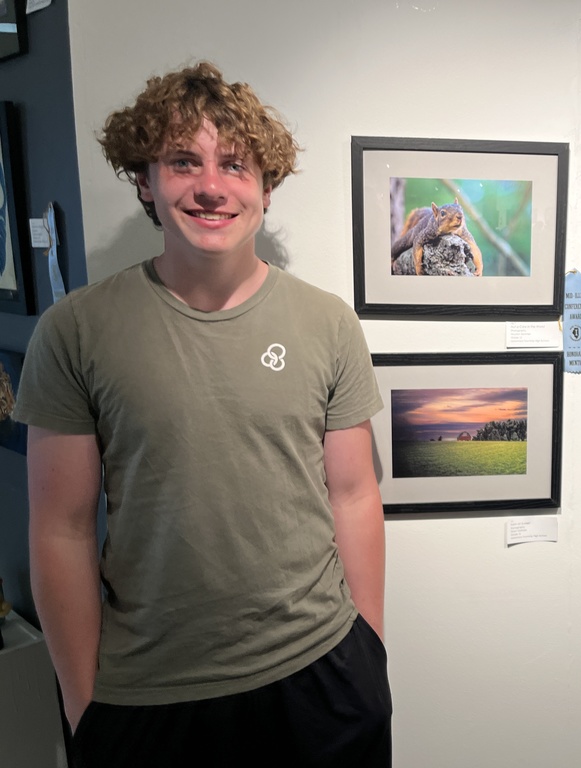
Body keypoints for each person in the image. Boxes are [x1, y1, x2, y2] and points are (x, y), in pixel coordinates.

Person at [14, 62, 392, 767]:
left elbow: (353, 492)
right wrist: (82, 703)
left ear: (266, 188)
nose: (211, 185)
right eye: (183, 162)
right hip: (150, 695)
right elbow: (60, 529)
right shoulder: (77, 330)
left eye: (236, 165)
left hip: (323, 676)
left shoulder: (326, 322)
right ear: (145, 181)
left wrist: (368, 650)